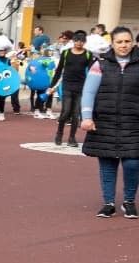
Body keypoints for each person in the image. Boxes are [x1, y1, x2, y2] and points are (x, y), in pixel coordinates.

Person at [80, 27, 139, 219]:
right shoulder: (101, 64)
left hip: (133, 123)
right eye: (119, 42)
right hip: (104, 122)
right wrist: (87, 117)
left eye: (127, 41)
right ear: (112, 43)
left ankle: (129, 202)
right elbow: (89, 92)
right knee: (107, 164)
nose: (124, 45)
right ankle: (109, 203)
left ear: (133, 43)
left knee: (132, 163)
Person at [51, 31, 94, 147]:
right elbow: (59, 70)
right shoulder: (66, 53)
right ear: (73, 41)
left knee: (76, 114)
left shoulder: (88, 54)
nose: (79, 43)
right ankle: (59, 133)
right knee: (65, 112)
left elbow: (91, 73)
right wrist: (51, 86)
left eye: (81, 41)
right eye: (77, 40)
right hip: (67, 86)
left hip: (81, 87)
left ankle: (71, 138)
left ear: (84, 42)